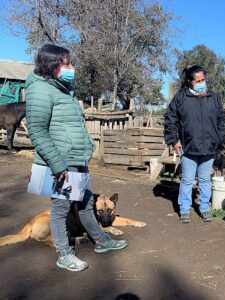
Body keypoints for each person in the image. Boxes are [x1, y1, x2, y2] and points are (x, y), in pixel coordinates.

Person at [26, 44, 127, 272]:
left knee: (86, 203)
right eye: (67, 64)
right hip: (62, 162)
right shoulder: (40, 90)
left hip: (75, 159)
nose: (72, 68)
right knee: (61, 209)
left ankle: (101, 241)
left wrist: (88, 145)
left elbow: (73, 126)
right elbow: (37, 130)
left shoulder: (62, 89)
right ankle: (64, 254)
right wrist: (57, 163)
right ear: (52, 65)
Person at [164, 65, 225, 223]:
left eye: (203, 79)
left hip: (209, 148)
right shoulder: (181, 98)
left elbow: (221, 120)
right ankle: (184, 209)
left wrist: (220, 139)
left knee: (205, 180)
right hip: (188, 147)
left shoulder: (213, 97)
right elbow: (170, 120)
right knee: (187, 180)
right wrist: (174, 141)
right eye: (198, 80)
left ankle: (204, 208)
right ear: (190, 82)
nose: (202, 82)